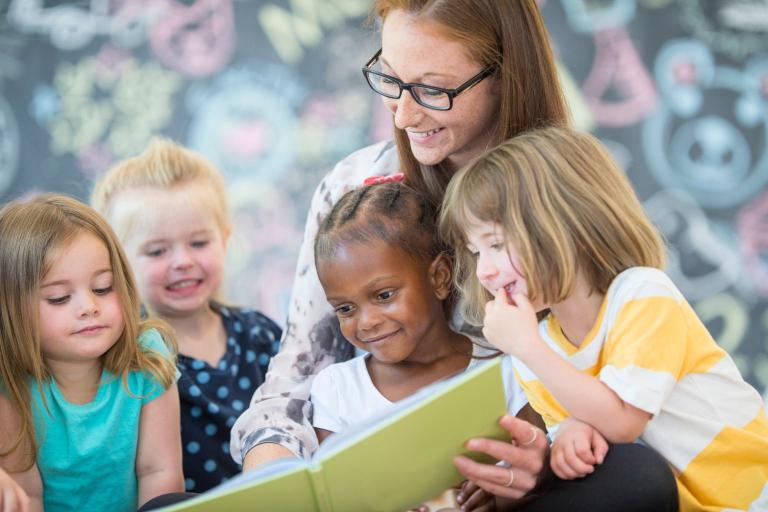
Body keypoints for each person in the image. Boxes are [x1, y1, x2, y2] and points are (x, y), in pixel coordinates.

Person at [232, 1, 678, 510]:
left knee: (637, 477)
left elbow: (631, 379)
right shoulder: (354, 188)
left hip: (523, 491)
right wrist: (273, 477)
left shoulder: (563, 192)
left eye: (431, 89)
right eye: (391, 79)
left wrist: (544, 460)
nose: (403, 113)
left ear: (505, 74)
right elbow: (296, 378)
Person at [439, 125, 768, 512]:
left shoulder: (642, 295)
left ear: (569, 228)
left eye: (495, 244)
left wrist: (528, 350)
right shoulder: (538, 346)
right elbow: (587, 437)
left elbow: (622, 421)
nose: (484, 272)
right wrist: (570, 438)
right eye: (476, 253)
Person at [311, 179, 525, 510]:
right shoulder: (338, 391)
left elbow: (540, 475)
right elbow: (337, 499)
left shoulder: (503, 371)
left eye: (383, 295)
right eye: (345, 308)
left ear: (439, 277)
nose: (365, 321)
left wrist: (497, 498)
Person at [91, 138, 282, 493]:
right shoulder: (125, 358)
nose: (182, 261)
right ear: (118, 265)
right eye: (157, 250)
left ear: (224, 241)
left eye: (198, 243)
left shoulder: (260, 335)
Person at [0, 194, 184, 512]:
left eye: (102, 287)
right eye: (58, 298)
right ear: (10, 310)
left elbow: (161, 474)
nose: (89, 308)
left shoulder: (148, 358)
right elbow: (28, 496)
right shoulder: (9, 385)